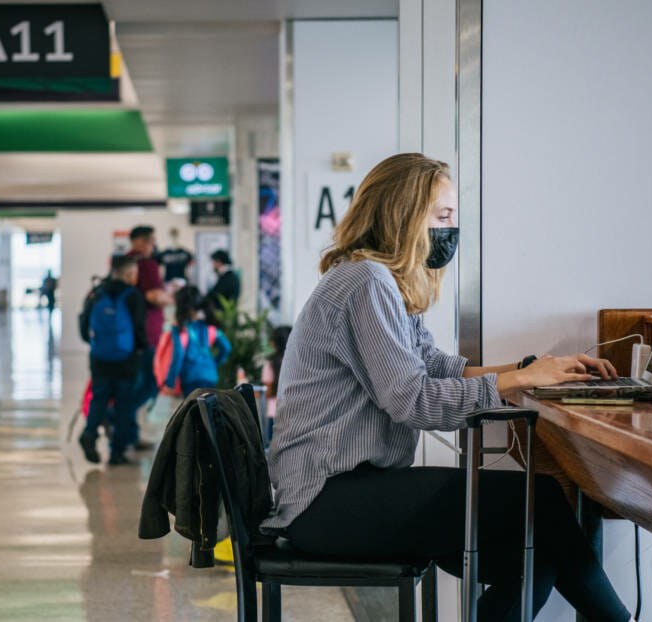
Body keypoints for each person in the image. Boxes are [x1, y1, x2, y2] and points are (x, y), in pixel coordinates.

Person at [260, 153, 632, 622]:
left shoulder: (377, 280)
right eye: (442, 216)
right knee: (543, 510)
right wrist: (516, 381)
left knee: (537, 544)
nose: (450, 229)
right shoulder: (365, 282)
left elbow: (433, 365)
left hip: (342, 492)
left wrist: (528, 369)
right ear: (403, 215)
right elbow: (411, 400)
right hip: (324, 501)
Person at [78, 256, 148, 466]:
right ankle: (117, 452)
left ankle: (90, 434)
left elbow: (83, 327)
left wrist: (96, 344)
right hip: (126, 360)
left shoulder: (96, 293)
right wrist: (141, 350)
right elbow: (139, 330)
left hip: (100, 357)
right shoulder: (133, 296)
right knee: (124, 405)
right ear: (128, 274)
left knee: (99, 398)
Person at [127, 226, 174, 448]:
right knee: (151, 384)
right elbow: (155, 296)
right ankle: (117, 415)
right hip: (147, 335)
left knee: (133, 384)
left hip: (129, 335)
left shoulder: (123, 262)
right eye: (151, 242)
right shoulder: (147, 265)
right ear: (143, 242)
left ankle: (129, 434)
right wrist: (172, 296)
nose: (153, 246)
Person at [156, 285, 231, 397]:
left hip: (190, 378)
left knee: (193, 412)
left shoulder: (179, 329)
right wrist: (214, 364)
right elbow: (226, 348)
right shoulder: (210, 327)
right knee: (206, 411)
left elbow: (178, 355)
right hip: (210, 376)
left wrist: (169, 382)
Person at [260, 325, 292, 442]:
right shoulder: (298, 362)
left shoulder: (270, 365)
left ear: (274, 343)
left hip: (274, 414)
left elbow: (267, 393)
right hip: (294, 414)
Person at [203, 249, 240, 313]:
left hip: (224, 317)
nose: (213, 266)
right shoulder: (231, 276)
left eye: (213, 263)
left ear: (219, 262)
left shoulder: (226, 278)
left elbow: (215, 295)